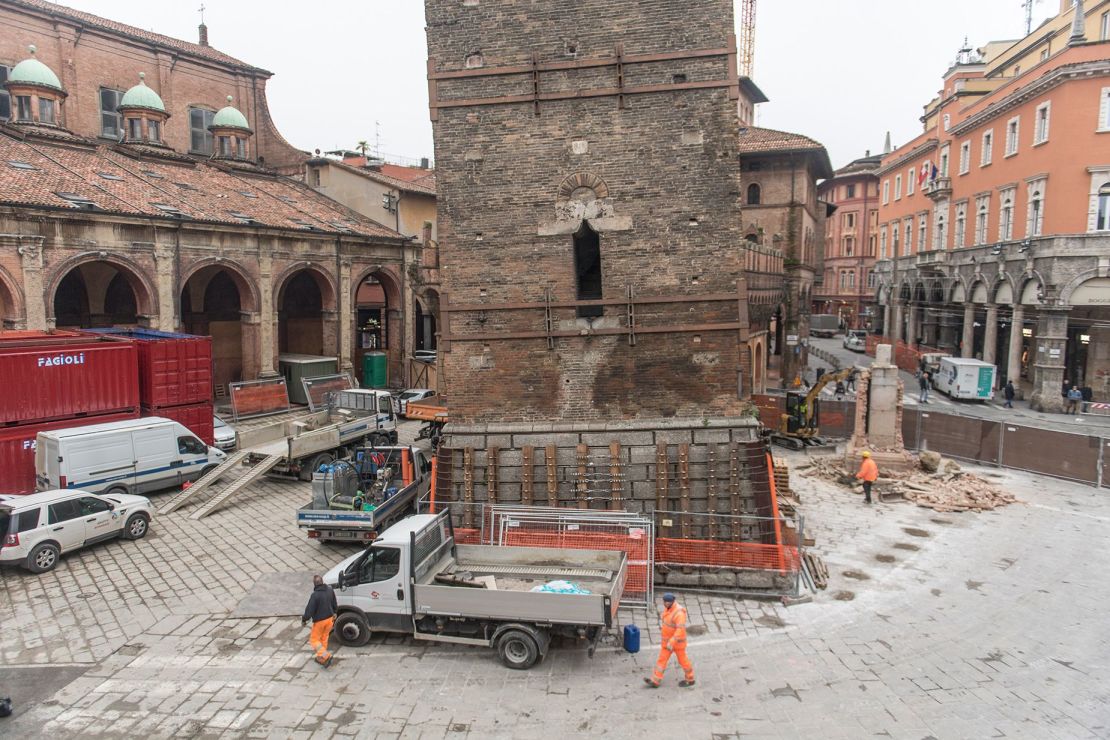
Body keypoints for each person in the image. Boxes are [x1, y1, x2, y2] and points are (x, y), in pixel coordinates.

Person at [644, 593, 695, 689]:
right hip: (667, 643)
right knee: (661, 660)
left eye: (668, 602)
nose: (666, 603)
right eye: (665, 602)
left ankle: (690, 679)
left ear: (672, 602)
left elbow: (680, 630)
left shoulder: (679, 613)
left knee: (683, 661)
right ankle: (655, 680)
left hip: (677, 643)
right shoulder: (669, 609)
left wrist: (672, 641)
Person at [302, 575, 338, 667]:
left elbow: (309, 610)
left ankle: (326, 655)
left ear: (314, 584)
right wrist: (335, 612)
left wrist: (304, 619)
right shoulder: (330, 589)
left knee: (314, 640)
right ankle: (321, 657)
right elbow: (334, 603)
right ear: (322, 581)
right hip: (330, 619)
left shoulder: (315, 595)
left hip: (320, 621)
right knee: (324, 638)